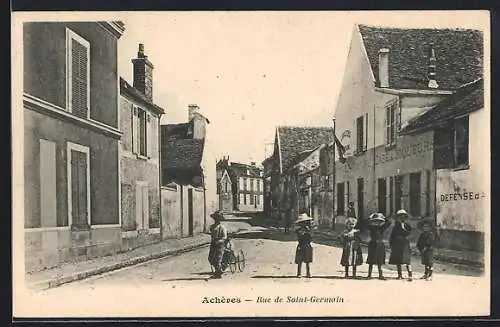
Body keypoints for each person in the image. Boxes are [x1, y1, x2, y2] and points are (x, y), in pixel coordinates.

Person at [389, 209, 413, 281]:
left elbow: (410, 234)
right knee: (398, 260)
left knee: (407, 260)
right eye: (400, 217)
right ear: (398, 218)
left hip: (405, 244)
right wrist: (391, 244)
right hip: (397, 245)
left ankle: (410, 275)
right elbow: (392, 236)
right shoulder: (396, 226)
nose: (401, 218)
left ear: (405, 218)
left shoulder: (407, 225)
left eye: (403, 217)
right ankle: (400, 275)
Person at [366, 213, 392, 280]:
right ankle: (369, 275)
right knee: (371, 260)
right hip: (372, 244)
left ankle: (380, 275)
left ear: (381, 222)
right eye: (375, 221)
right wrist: (370, 217)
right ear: (373, 222)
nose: (377, 223)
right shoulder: (371, 227)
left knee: (379, 261)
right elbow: (366, 222)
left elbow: (389, 223)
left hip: (380, 245)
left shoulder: (381, 228)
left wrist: (384, 217)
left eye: (379, 221)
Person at [208, 211, 228, 279]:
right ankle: (218, 270)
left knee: (218, 258)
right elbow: (212, 233)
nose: (216, 220)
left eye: (218, 218)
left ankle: (218, 273)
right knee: (210, 258)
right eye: (215, 218)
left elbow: (224, 237)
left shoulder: (222, 227)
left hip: (220, 245)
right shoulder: (212, 227)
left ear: (220, 220)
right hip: (213, 243)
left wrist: (219, 241)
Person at [294, 213, 313, 278]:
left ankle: (308, 273)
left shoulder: (309, 230)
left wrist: (309, 232)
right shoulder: (298, 231)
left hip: (307, 245)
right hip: (301, 245)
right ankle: (299, 273)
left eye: (305, 222)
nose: (304, 223)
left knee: (307, 261)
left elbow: (311, 238)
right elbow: (300, 238)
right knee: (300, 260)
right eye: (303, 222)